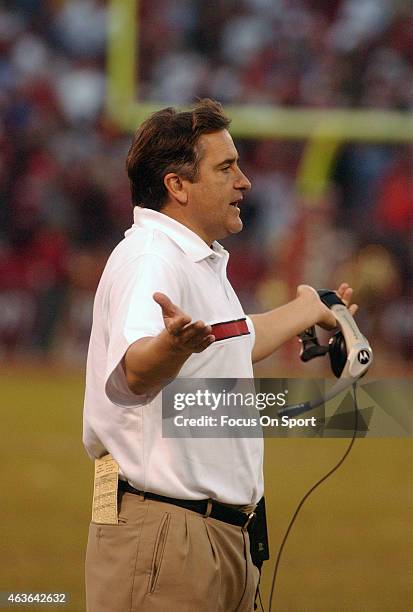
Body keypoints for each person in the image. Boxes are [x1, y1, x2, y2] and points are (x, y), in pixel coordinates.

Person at [83, 98, 356, 612]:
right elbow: (137, 370)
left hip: (208, 534)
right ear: (177, 185)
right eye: (226, 167)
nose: (245, 181)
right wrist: (170, 347)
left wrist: (309, 308)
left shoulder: (194, 259)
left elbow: (233, 343)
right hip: (169, 532)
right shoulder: (151, 259)